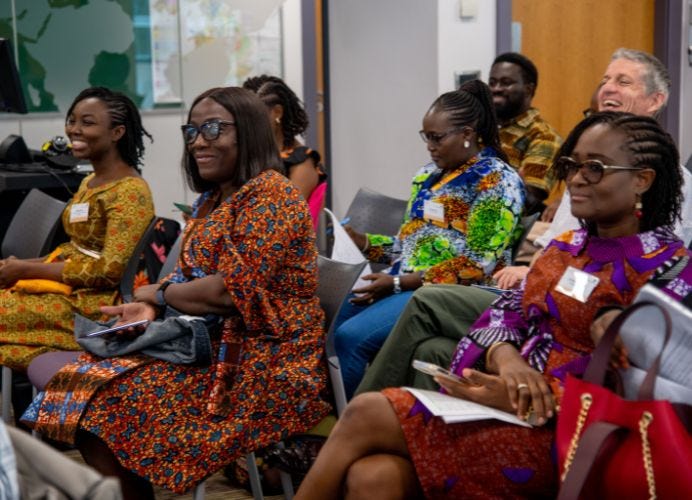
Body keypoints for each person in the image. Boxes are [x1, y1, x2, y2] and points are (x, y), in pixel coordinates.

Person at [296, 111, 689, 499]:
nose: (576, 178)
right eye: (571, 165)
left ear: (642, 180)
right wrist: (508, 361)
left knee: (366, 411)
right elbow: (502, 312)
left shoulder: (669, 272)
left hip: (573, 438)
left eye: (596, 168)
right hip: (507, 405)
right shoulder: (565, 247)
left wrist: (534, 395)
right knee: (373, 476)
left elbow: (654, 397)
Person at [22, 87, 330, 498]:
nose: (199, 141)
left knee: (106, 403)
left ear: (250, 132)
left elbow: (226, 293)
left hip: (262, 362)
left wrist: (159, 296)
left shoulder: (272, 198)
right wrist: (151, 304)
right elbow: (188, 276)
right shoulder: (212, 199)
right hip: (205, 342)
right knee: (75, 387)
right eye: (193, 131)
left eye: (214, 129)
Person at [357, 47, 692, 396]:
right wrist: (507, 352)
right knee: (429, 351)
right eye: (572, 166)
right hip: (537, 288)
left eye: (623, 81)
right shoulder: (570, 240)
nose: (577, 179)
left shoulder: (665, 256)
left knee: (422, 306)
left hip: (563, 391)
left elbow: (639, 379)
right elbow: (545, 261)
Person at [333, 80, 525, 399]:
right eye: (426, 137)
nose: (430, 146)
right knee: (335, 322)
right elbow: (407, 243)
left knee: (352, 337)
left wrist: (398, 284)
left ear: (467, 134)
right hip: (405, 281)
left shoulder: (497, 181)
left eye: (437, 138)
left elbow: (477, 264)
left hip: (450, 292)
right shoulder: (429, 175)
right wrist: (363, 241)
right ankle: (344, 416)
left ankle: (358, 427)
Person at [0, 87, 155, 370]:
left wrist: (26, 270)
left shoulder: (131, 192)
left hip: (93, 307)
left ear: (117, 133)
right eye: (72, 121)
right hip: (68, 289)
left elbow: (109, 271)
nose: (74, 130)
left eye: (88, 122)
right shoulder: (90, 181)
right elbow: (75, 248)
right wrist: (20, 264)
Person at [243, 75, 327, 229]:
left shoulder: (302, 164)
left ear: (277, 112)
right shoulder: (252, 158)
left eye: (253, 116)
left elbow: (283, 224)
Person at [489, 52, 562, 213]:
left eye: (506, 83)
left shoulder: (544, 136)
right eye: (492, 83)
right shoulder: (480, 128)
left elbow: (528, 200)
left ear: (528, 89)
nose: (496, 89)